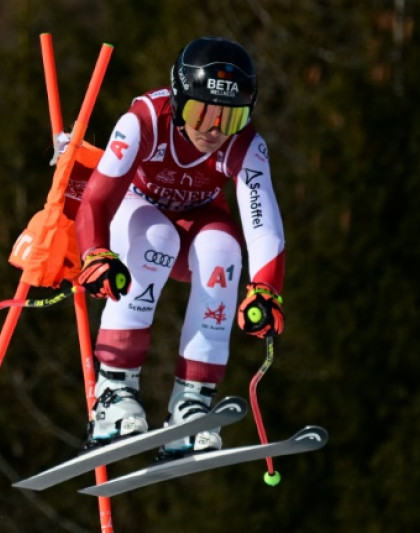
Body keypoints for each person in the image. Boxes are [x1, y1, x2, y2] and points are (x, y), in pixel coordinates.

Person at [74, 36, 285, 459]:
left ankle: (191, 405)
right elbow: (96, 199)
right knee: (157, 238)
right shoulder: (145, 120)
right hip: (136, 212)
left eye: (230, 118)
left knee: (224, 251)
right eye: (200, 112)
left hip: (199, 217)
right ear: (177, 100)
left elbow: (263, 226)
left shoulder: (245, 145)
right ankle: (115, 391)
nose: (213, 130)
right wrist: (95, 253)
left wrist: (265, 289)